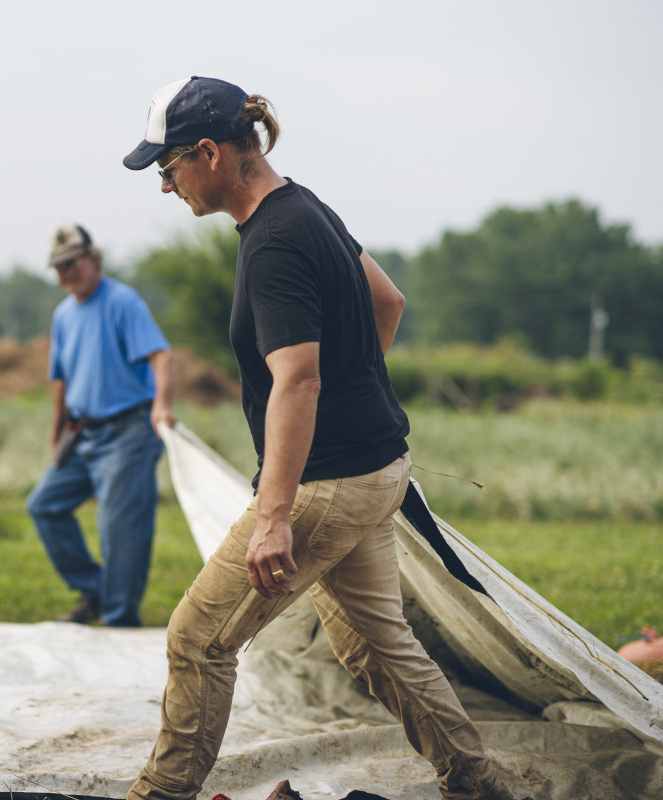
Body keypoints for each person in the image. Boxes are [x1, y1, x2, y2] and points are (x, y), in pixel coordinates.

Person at [121, 77, 527, 800]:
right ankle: (479, 786)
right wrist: (353, 398)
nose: (164, 185)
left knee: (199, 640)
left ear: (209, 154)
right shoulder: (303, 207)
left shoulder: (272, 244)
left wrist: (274, 514)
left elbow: (298, 381)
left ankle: (160, 794)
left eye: (167, 166)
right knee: (377, 646)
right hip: (378, 468)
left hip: (328, 484)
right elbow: (387, 300)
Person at [26, 222, 177, 628]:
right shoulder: (63, 315)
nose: (65, 274)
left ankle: (119, 620)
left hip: (128, 433)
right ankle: (96, 590)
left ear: (93, 260)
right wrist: (56, 432)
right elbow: (61, 378)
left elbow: (161, 357)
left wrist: (162, 404)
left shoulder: (122, 302)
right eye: (58, 267)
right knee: (43, 506)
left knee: (119, 533)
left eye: (72, 263)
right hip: (81, 434)